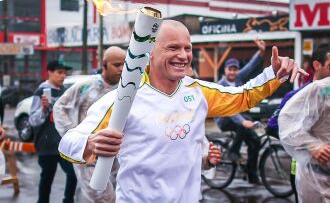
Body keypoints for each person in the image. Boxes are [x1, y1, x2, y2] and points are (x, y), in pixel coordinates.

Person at [59, 20, 306, 202]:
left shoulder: (198, 91)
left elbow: (241, 97)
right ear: (150, 53)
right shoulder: (124, 98)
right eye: (173, 48)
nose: (183, 55)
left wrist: (274, 75)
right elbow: (69, 142)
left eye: (187, 48)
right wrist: (91, 143)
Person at [53, 46, 126, 203]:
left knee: (115, 195)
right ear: (104, 64)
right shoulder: (86, 85)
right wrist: (73, 135)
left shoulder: (127, 89)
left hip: (116, 155)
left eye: (124, 65)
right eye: (117, 64)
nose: (121, 69)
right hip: (90, 155)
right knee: (101, 196)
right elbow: (60, 107)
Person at [267, 44, 330, 202]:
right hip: (309, 172)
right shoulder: (298, 96)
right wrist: (310, 146)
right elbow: (276, 125)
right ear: (317, 65)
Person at [214, 40, 267, 183]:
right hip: (224, 118)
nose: (232, 72)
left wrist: (261, 52)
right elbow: (228, 110)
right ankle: (233, 151)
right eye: (229, 69)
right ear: (225, 70)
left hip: (238, 115)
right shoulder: (221, 86)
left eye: (235, 69)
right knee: (243, 124)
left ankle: (251, 174)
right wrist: (244, 121)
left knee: (254, 142)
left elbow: (250, 66)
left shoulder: (239, 78)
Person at [29, 60, 77, 203]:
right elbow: (32, 120)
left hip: (63, 143)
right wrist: (43, 109)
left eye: (65, 73)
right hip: (46, 144)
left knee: (73, 174)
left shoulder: (65, 91)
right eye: (59, 72)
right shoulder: (41, 91)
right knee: (47, 179)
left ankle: (68, 200)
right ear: (49, 72)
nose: (63, 76)